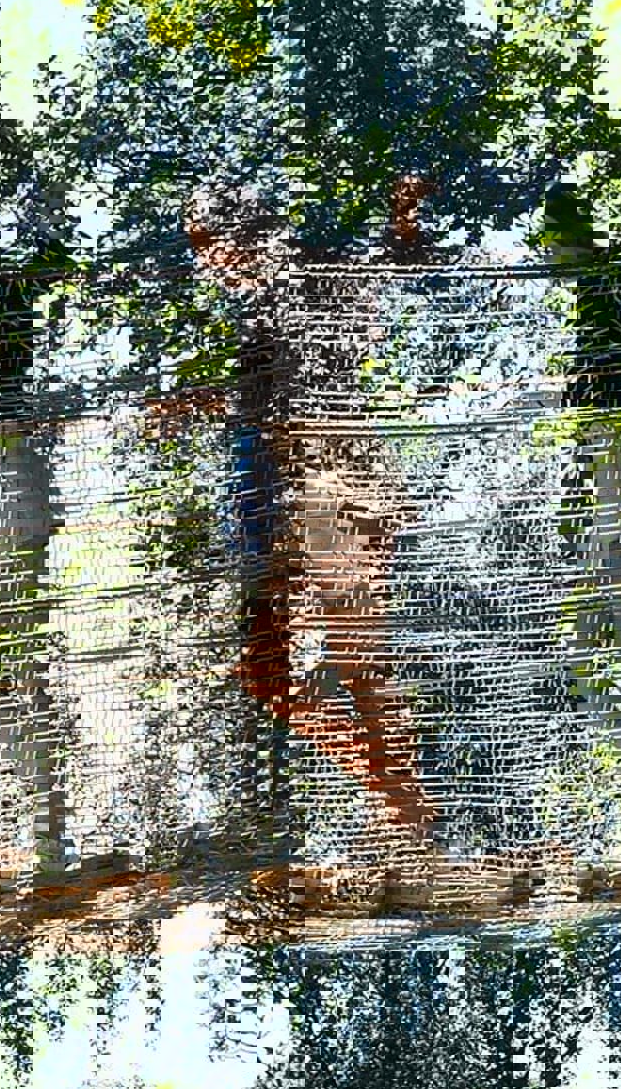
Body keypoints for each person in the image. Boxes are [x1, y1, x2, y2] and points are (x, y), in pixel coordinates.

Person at [153, 177, 436, 837]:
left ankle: (409, 821)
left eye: (205, 245)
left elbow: (390, 267)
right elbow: (266, 393)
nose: (202, 261)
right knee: (272, 674)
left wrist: (403, 222)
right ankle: (405, 807)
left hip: (329, 479)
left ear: (236, 235)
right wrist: (189, 405)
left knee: (348, 666)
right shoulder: (259, 302)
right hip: (289, 487)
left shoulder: (299, 273)